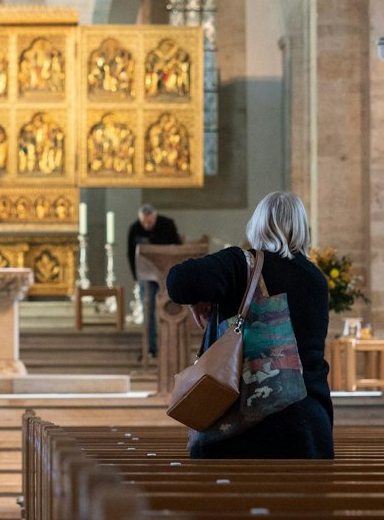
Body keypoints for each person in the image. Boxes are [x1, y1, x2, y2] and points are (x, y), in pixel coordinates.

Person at [165, 191, 334, 460]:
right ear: (303, 228)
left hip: (243, 432)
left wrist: (196, 300)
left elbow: (178, 282)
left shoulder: (240, 264)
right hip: (308, 431)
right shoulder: (316, 280)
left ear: (257, 225)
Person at [127, 204, 181, 353]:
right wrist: (136, 276)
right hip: (146, 276)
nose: (147, 225)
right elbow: (131, 254)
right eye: (144, 222)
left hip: (167, 274)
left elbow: (177, 248)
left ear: (155, 217)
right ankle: (151, 347)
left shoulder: (167, 224)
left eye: (149, 222)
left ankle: (171, 346)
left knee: (171, 308)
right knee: (148, 310)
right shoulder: (135, 229)